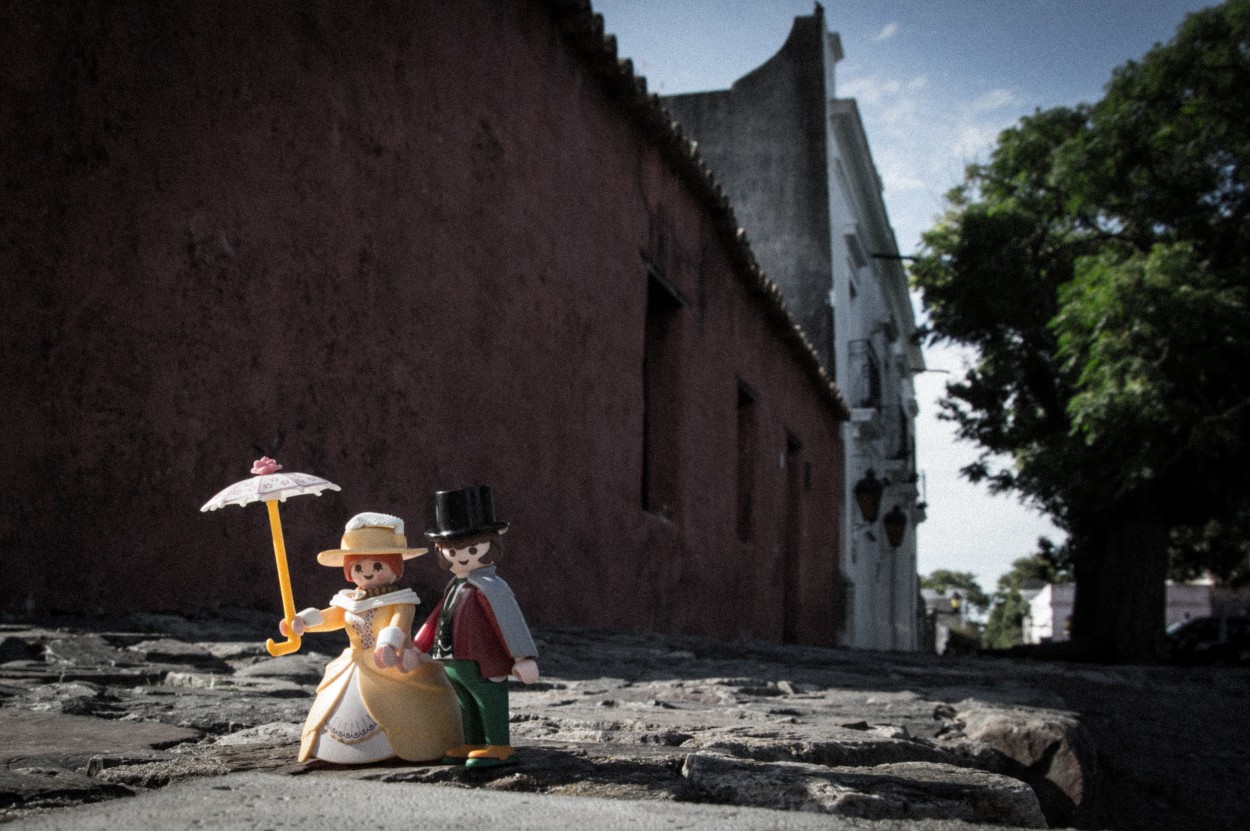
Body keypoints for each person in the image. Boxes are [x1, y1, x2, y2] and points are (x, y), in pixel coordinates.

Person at [280, 512, 462, 764]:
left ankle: (405, 743)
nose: (367, 574)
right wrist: (303, 622)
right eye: (358, 567)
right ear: (349, 570)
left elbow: (399, 624)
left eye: (377, 566)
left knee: (398, 706)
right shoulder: (349, 600)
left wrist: (388, 643)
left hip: (390, 662)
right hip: (354, 662)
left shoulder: (401, 601)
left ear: (394, 568)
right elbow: (332, 617)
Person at [414, 485, 539, 768]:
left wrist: (523, 657)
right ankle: (472, 741)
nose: (460, 556)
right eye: (451, 550)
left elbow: (509, 621)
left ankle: (498, 745)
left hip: (483, 661)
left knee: (488, 700)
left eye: (471, 548)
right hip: (452, 659)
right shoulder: (456, 585)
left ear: (490, 544)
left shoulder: (492, 588)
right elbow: (436, 618)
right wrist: (417, 646)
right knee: (465, 702)